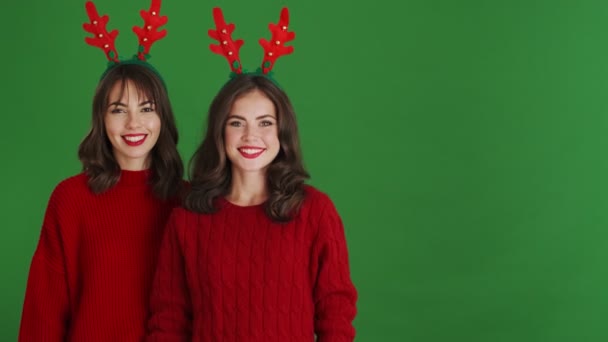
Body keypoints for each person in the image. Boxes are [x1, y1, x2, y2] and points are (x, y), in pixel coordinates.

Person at [146, 8, 357, 341]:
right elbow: (169, 321)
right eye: (236, 123)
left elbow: (336, 315)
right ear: (220, 132)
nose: (250, 137)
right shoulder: (187, 220)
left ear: (282, 133)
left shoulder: (315, 213)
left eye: (265, 123)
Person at [19, 1, 183, 340]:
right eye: (118, 109)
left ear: (162, 117)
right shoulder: (70, 199)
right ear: (101, 120)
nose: (134, 123)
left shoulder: (189, 200)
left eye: (147, 108)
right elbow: (43, 310)